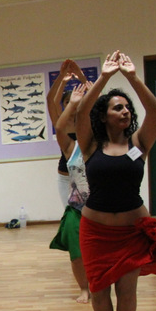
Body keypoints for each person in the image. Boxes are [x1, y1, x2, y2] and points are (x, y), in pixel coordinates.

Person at [75, 51, 156, 311]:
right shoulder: (90, 145)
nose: (125, 111)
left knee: (127, 289)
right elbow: (79, 117)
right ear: (104, 116)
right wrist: (103, 78)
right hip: (95, 232)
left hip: (131, 232)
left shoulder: (139, 143)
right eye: (118, 107)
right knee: (99, 288)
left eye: (127, 107)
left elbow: (154, 112)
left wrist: (131, 78)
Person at [49, 83, 92, 303]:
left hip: (100, 207)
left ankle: (97, 283)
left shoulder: (99, 143)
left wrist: (91, 96)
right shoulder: (69, 144)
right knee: (77, 250)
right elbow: (58, 126)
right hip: (77, 205)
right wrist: (72, 102)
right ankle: (84, 288)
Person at [47, 59, 88, 206]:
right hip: (65, 175)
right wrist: (62, 78)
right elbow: (51, 100)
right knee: (70, 213)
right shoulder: (60, 122)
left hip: (86, 174)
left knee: (88, 214)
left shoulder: (88, 120)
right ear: (63, 105)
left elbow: (97, 97)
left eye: (75, 100)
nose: (72, 103)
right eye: (67, 102)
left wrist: (81, 76)